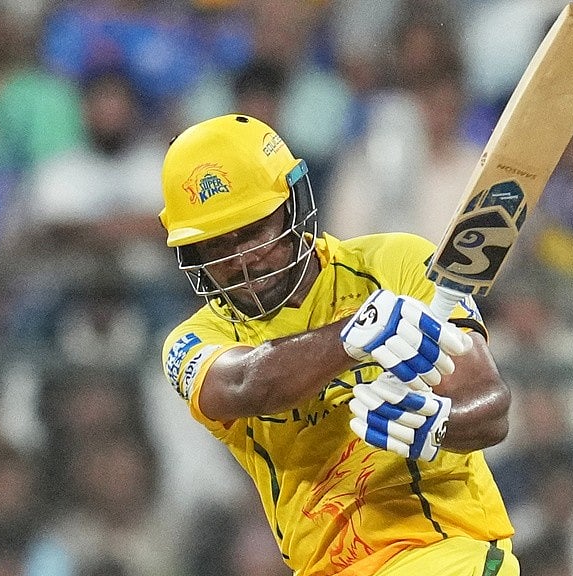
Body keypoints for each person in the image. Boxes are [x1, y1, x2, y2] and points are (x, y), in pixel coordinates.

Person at [157, 113, 518, 576]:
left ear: (292, 207)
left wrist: (438, 426)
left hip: (442, 552)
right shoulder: (191, 341)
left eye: (253, 231)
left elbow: (491, 407)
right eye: (217, 247)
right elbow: (246, 383)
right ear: (192, 255)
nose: (245, 261)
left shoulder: (399, 264)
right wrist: (353, 334)